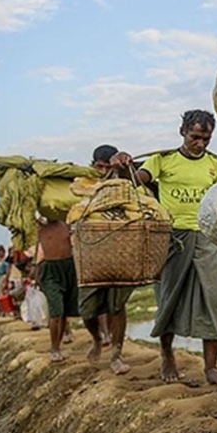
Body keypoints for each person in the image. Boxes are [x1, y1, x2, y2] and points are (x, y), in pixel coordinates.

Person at [133, 110, 217, 386]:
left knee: (212, 301)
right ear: (183, 132)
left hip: (207, 237)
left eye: (205, 139)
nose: (199, 143)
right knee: (169, 298)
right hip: (171, 238)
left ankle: (211, 367)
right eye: (195, 137)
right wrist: (123, 166)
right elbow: (138, 178)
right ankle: (167, 355)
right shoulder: (163, 160)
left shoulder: (214, 165)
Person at [75, 144, 140, 375]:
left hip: (120, 253)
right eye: (100, 167)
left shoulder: (124, 184)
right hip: (91, 255)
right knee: (87, 309)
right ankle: (96, 338)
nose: (104, 172)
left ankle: (116, 354)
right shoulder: (85, 184)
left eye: (107, 167)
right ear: (94, 165)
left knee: (117, 306)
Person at [32, 218, 81, 361]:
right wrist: (37, 274)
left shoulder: (66, 223)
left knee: (64, 312)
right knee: (56, 311)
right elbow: (37, 251)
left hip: (69, 267)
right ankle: (54, 348)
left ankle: (58, 346)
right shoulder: (40, 226)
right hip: (50, 270)